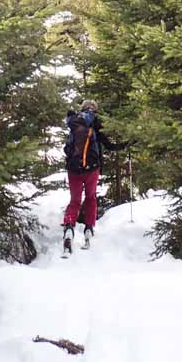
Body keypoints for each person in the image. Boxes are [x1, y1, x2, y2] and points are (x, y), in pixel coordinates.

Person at [62, 99, 117, 252]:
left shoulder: (73, 123)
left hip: (73, 170)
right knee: (91, 198)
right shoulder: (95, 124)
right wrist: (127, 144)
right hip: (92, 169)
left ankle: (68, 227)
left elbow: (67, 149)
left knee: (75, 201)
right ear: (94, 110)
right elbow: (109, 145)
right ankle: (88, 228)